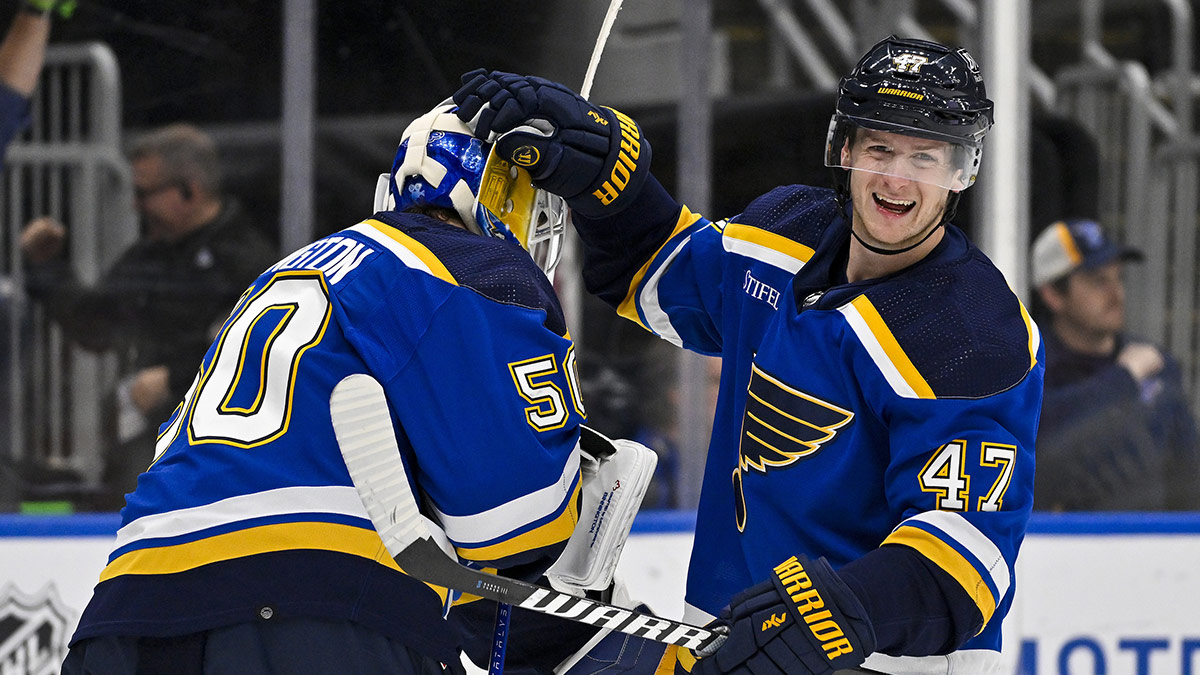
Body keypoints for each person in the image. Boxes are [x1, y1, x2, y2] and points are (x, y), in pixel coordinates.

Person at [453, 34, 1042, 674]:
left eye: (925, 157)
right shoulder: (784, 232)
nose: (897, 178)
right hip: (726, 644)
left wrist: (832, 616)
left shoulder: (975, 336)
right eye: (880, 148)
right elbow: (658, 273)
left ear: (961, 171)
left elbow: (965, 557)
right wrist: (604, 178)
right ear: (843, 149)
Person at [62, 103, 659, 674]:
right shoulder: (475, 269)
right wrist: (584, 555)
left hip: (124, 612)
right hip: (308, 612)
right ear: (497, 193)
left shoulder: (295, 267)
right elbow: (512, 527)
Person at [19, 123, 277, 508]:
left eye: (143, 194)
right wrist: (47, 268)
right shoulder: (149, 257)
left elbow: (254, 350)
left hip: (224, 455)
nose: (135, 207)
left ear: (189, 191)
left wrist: (173, 376)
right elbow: (95, 326)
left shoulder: (247, 261)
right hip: (145, 443)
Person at [1031, 219, 1200, 510]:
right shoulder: (1029, 368)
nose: (1116, 294)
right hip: (1060, 546)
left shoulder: (1156, 364)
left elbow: (1188, 470)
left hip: (1154, 543)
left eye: (1118, 278)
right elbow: (1042, 443)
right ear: (1053, 295)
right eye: (1099, 281)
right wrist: (1123, 379)